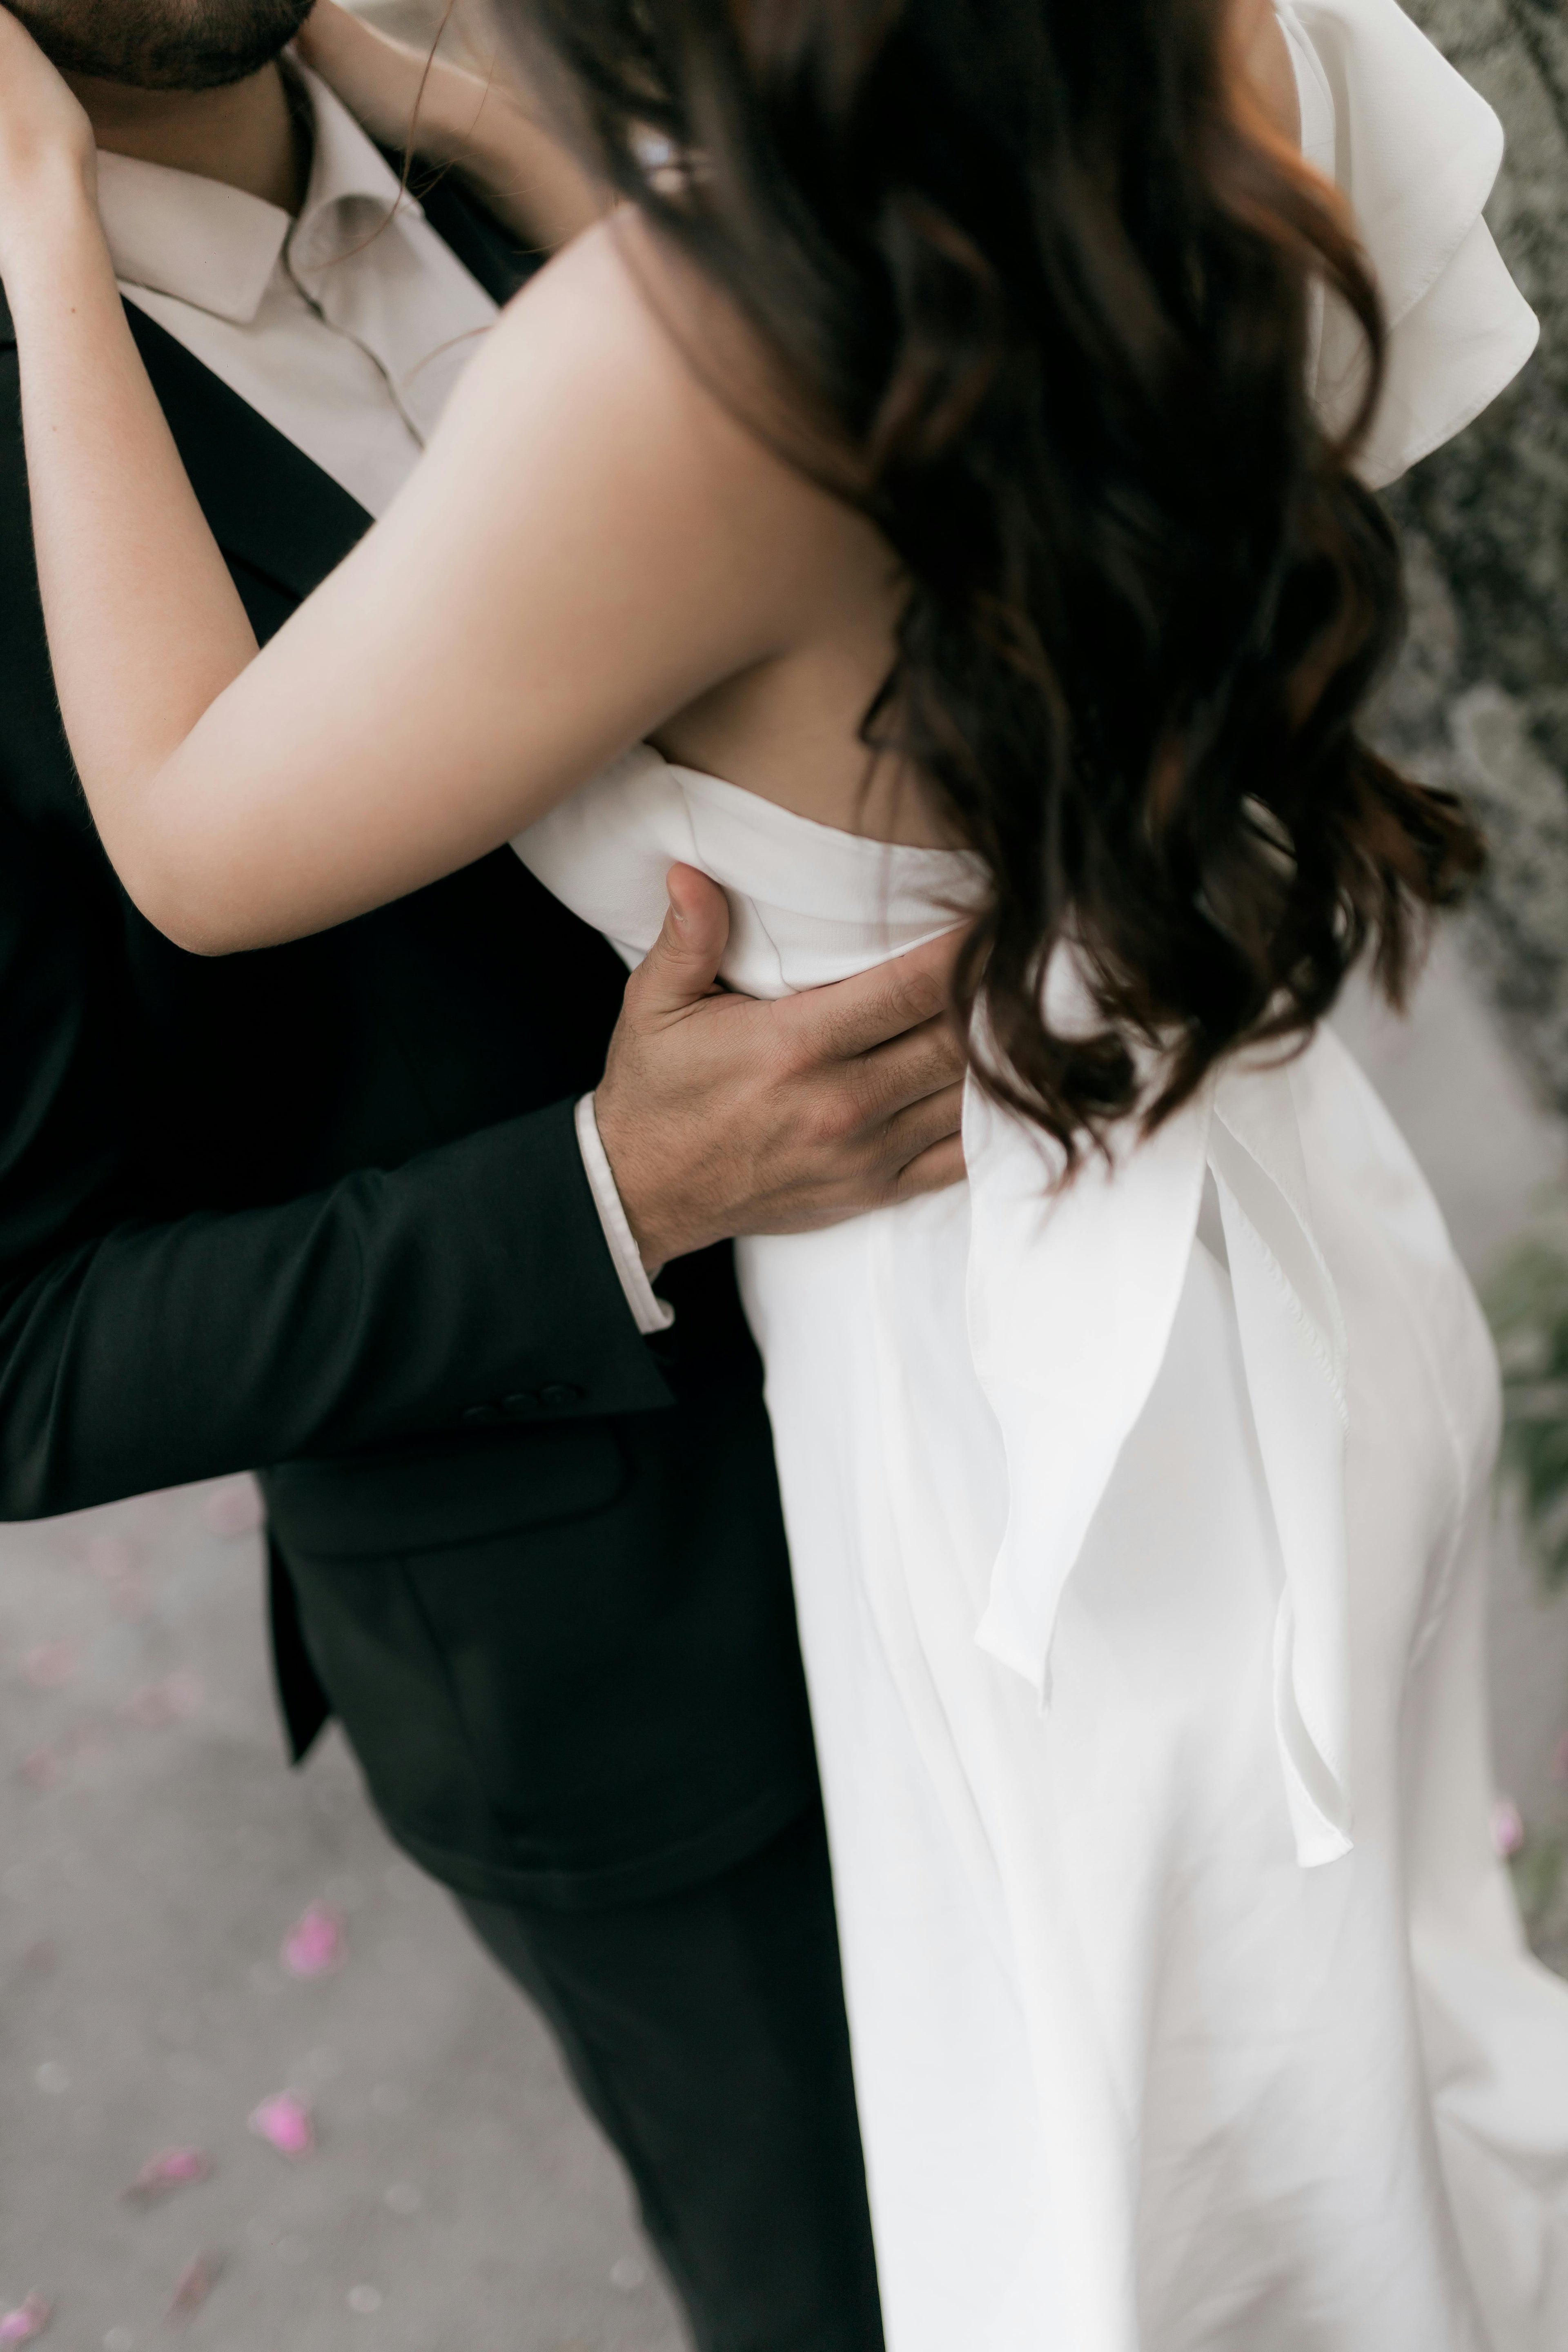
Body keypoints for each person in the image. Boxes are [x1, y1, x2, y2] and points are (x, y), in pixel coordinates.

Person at [2, 0, 1567, 2343]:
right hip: (645, 1688)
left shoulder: (688, 160)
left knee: (1269, 2179)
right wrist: (603, 1194)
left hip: (1080, 1451)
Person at [0, 7, 998, 2346]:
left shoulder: (550, 129)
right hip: (645, 1662)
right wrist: (609, 1192)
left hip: (1033, 1399)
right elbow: (17, 1351)